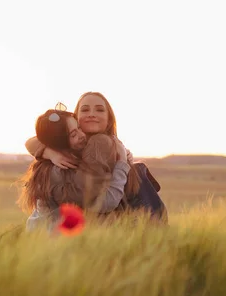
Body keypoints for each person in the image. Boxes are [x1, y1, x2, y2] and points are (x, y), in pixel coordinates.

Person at [24, 92, 168, 223]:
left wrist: (122, 163)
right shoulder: (66, 144)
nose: (92, 114)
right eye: (85, 109)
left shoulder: (106, 145)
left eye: (99, 110)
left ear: (109, 119)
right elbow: (32, 141)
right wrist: (49, 152)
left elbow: (98, 200)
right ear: (76, 117)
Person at [17, 106, 132, 231]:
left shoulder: (79, 154)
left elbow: (34, 141)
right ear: (60, 144)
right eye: (73, 135)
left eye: (78, 127)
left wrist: (47, 151)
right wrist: (121, 165)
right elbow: (105, 203)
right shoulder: (59, 171)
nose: (82, 135)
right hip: (49, 240)